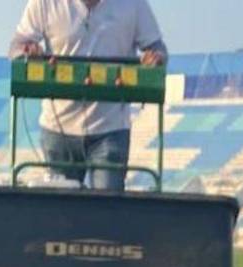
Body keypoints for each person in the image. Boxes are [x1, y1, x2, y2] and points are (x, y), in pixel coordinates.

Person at [9, 0, 167, 192]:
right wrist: (29, 51)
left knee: (107, 210)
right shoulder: (44, 3)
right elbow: (17, 47)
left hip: (110, 127)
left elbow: (157, 49)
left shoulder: (133, 4)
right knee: (61, 214)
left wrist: (154, 58)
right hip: (58, 128)